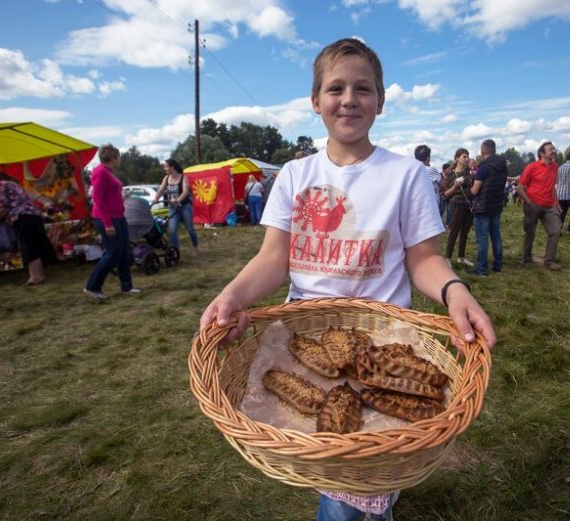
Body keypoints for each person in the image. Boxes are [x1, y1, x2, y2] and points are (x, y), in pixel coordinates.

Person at [199, 37, 496, 521]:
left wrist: (454, 288)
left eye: (363, 88)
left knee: (367, 480)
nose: (349, 99)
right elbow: (274, 258)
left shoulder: (406, 176)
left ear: (379, 100)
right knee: (341, 484)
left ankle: (375, 498)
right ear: (316, 101)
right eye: (335, 88)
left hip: (384, 339)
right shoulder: (294, 176)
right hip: (306, 340)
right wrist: (231, 294)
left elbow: (424, 260)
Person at [84, 144, 141, 300]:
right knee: (113, 252)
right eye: (118, 157)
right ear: (113, 157)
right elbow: (97, 199)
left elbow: (109, 196)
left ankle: (127, 286)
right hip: (109, 218)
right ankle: (92, 286)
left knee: (123, 251)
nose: (120, 160)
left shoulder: (108, 172)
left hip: (118, 216)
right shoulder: (100, 172)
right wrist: (107, 223)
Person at [0, 171, 57, 285]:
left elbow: (2, 207)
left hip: (22, 217)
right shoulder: (12, 183)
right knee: (35, 245)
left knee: (28, 245)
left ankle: (35, 277)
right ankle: (39, 275)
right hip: (34, 214)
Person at [517, 141, 561, 270]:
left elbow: (552, 186)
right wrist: (529, 202)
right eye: (550, 149)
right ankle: (527, 259)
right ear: (542, 153)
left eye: (554, 149)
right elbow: (520, 188)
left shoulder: (555, 166)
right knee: (530, 233)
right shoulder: (532, 167)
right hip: (533, 204)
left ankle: (549, 260)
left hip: (549, 206)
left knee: (556, 231)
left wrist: (556, 202)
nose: (553, 151)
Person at [470, 139, 508, 276]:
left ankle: (481, 269)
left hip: (483, 206)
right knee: (496, 236)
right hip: (496, 205)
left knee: (483, 238)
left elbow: (474, 190)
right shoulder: (503, 165)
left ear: (482, 152)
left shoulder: (484, 167)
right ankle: (497, 266)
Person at [153, 158, 199, 252]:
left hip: (184, 207)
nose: (164, 168)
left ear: (172, 167)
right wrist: (156, 198)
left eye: (166, 166)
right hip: (173, 208)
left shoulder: (183, 177)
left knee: (190, 228)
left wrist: (178, 200)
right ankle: (176, 251)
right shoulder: (166, 179)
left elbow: (185, 191)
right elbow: (161, 190)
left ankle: (196, 246)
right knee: (172, 230)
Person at [443, 148, 475, 267]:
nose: (467, 159)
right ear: (457, 159)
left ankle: (461, 257)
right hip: (457, 205)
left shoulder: (469, 172)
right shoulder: (451, 174)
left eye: (467, 157)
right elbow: (446, 194)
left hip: (468, 205)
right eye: (464, 157)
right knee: (454, 231)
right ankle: (447, 257)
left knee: (465, 232)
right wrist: (455, 186)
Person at [414, 144, 441, 213]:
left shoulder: (413, 170)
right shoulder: (431, 169)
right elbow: (443, 184)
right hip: (432, 204)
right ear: (428, 157)